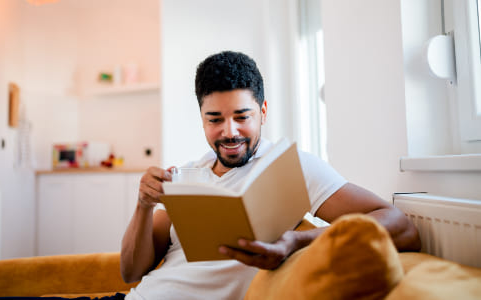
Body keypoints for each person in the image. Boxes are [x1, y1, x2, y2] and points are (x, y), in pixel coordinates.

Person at [120, 51, 421, 300]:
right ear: (202, 119)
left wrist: (295, 242)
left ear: (262, 111)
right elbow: (130, 273)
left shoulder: (290, 168)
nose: (229, 132)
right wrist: (143, 205)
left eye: (242, 117)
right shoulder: (188, 175)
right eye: (215, 119)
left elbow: (402, 228)